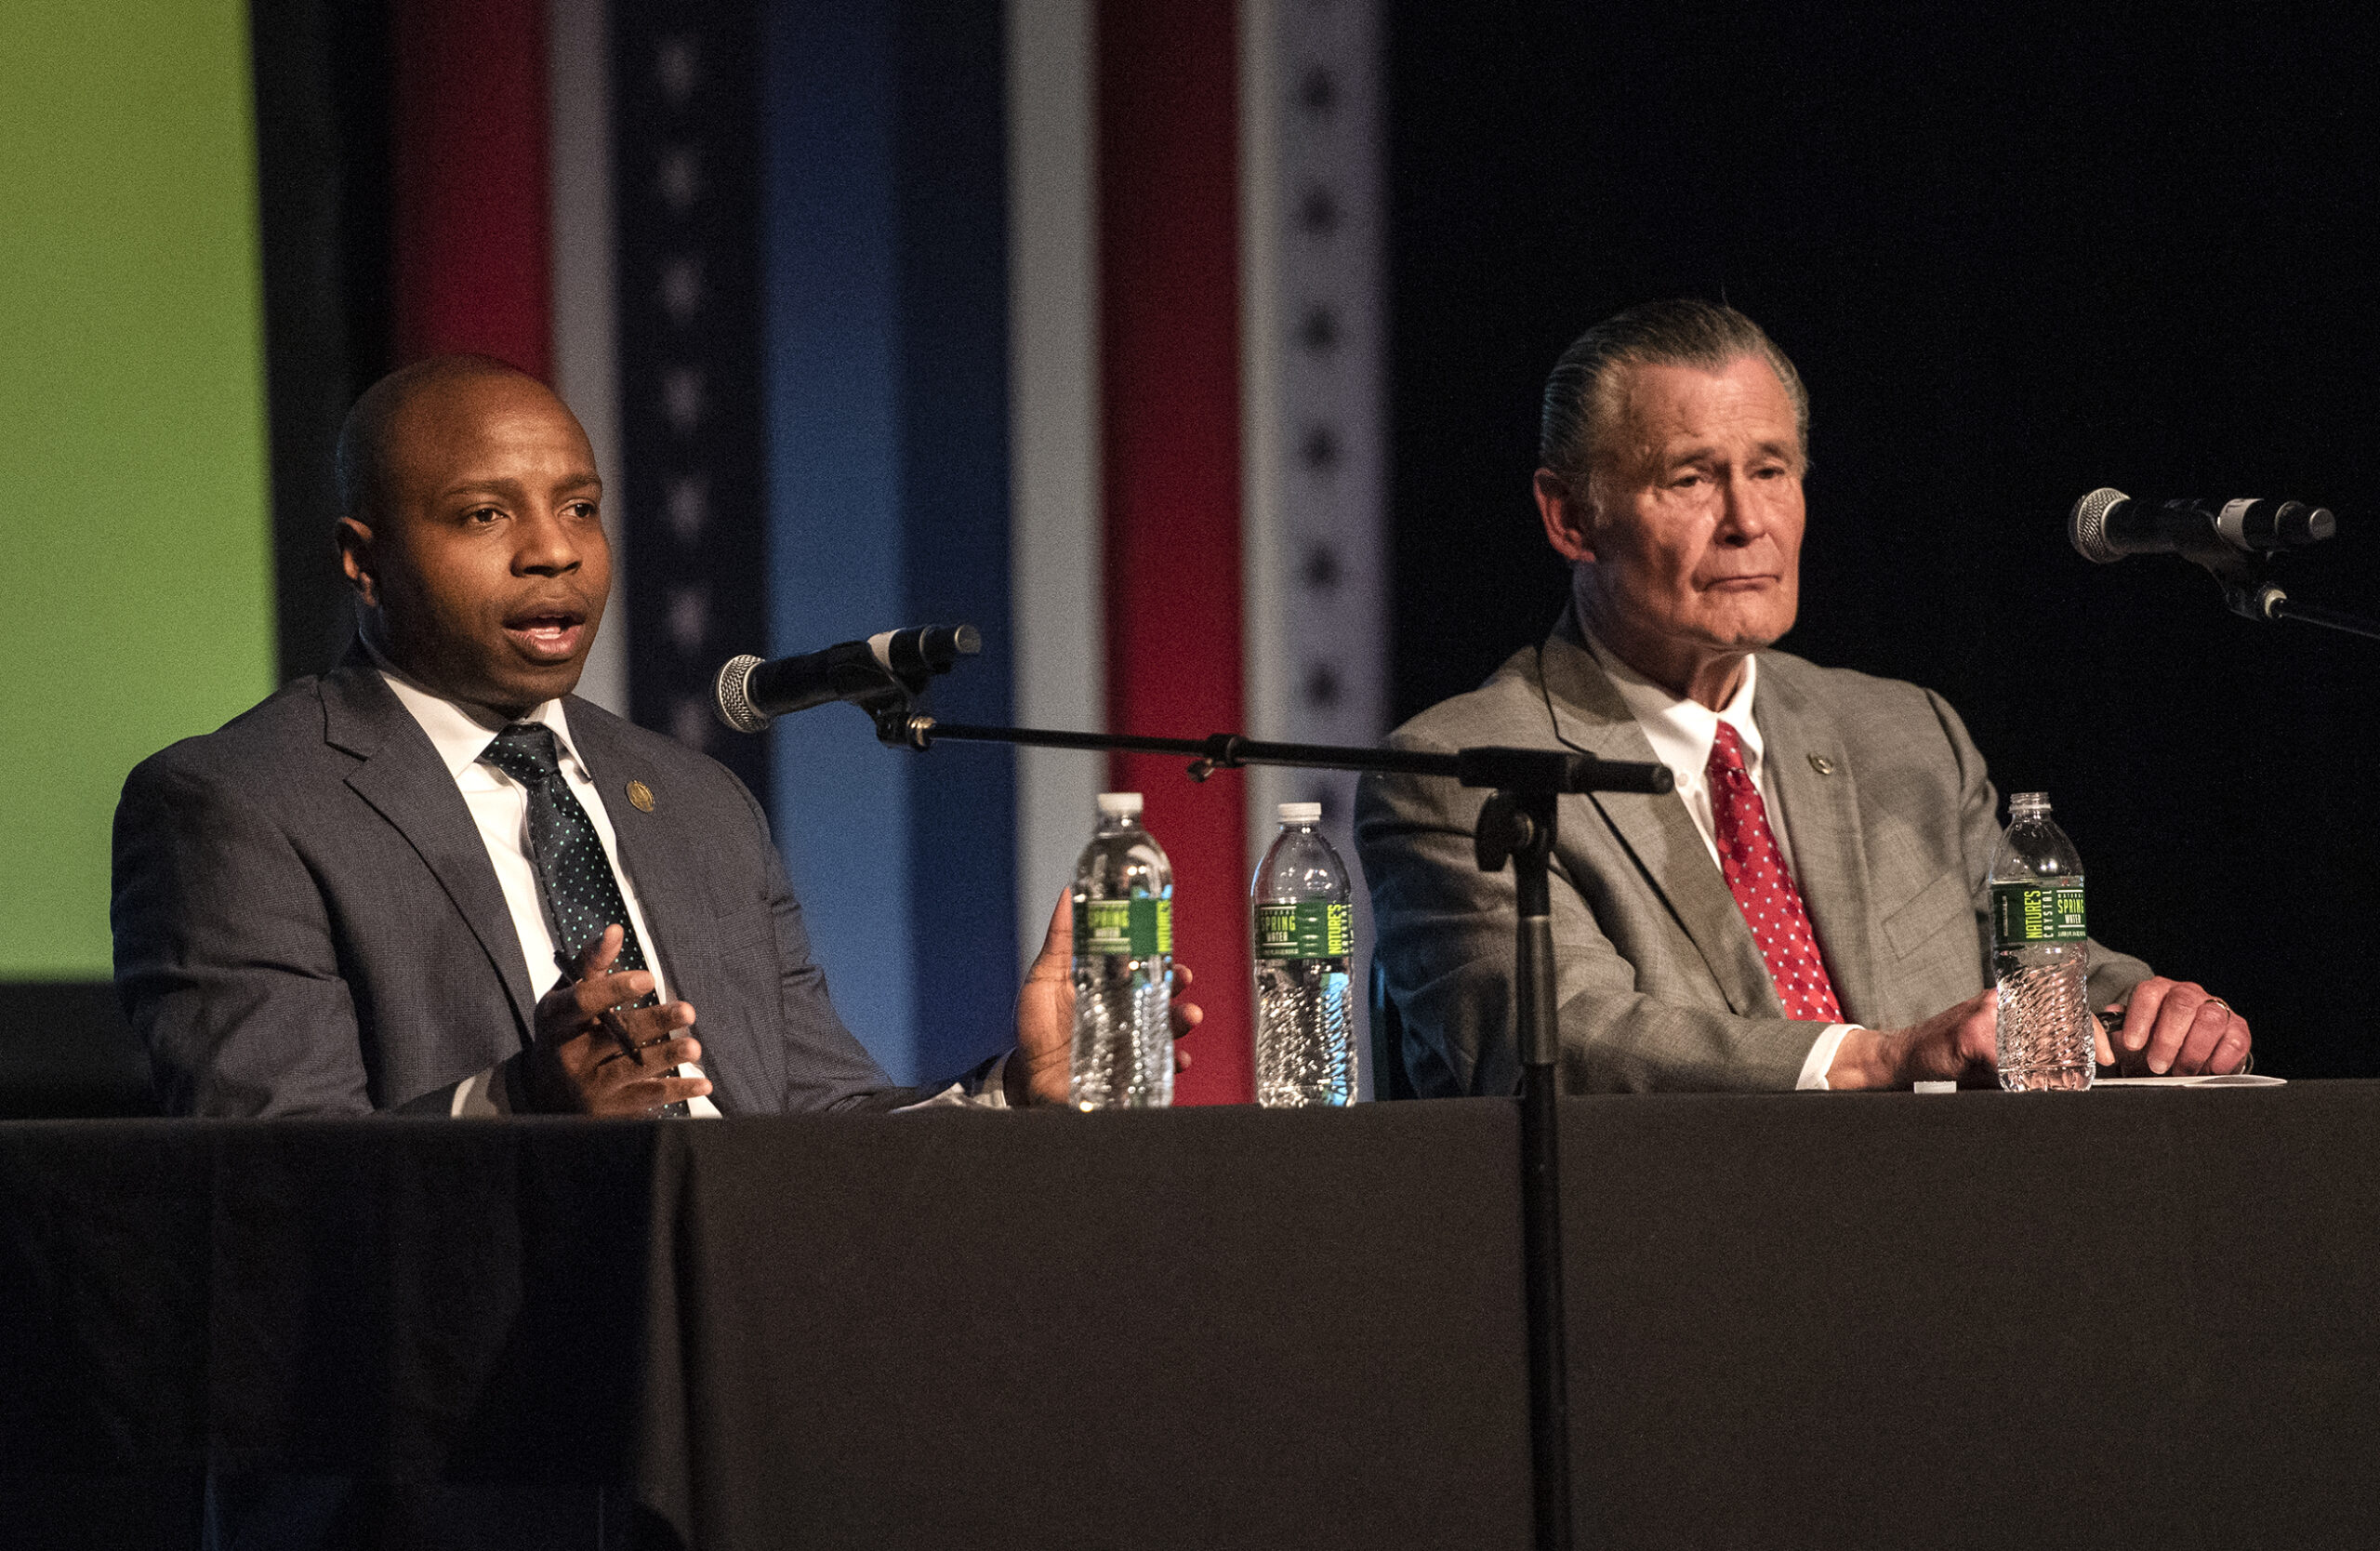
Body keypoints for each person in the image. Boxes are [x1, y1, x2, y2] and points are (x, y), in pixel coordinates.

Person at [112, 353, 1195, 1117]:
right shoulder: (240, 803)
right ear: (364, 558)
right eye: (486, 516)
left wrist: (1014, 1088)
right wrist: (518, 1099)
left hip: (743, 1337)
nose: (554, 553)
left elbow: (814, 1124)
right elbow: (264, 1174)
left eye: (580, 508)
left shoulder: (694, 802)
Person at [1356, 300, 2251, 1094]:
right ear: (1571, 518)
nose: (1748, 520)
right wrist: (1875, 1058)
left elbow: (2035, 965)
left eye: (1773, 470)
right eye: (1691, 477)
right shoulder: (1459, 768)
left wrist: (2151, 1011)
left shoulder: (1907, 733)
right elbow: (1556, 1039)